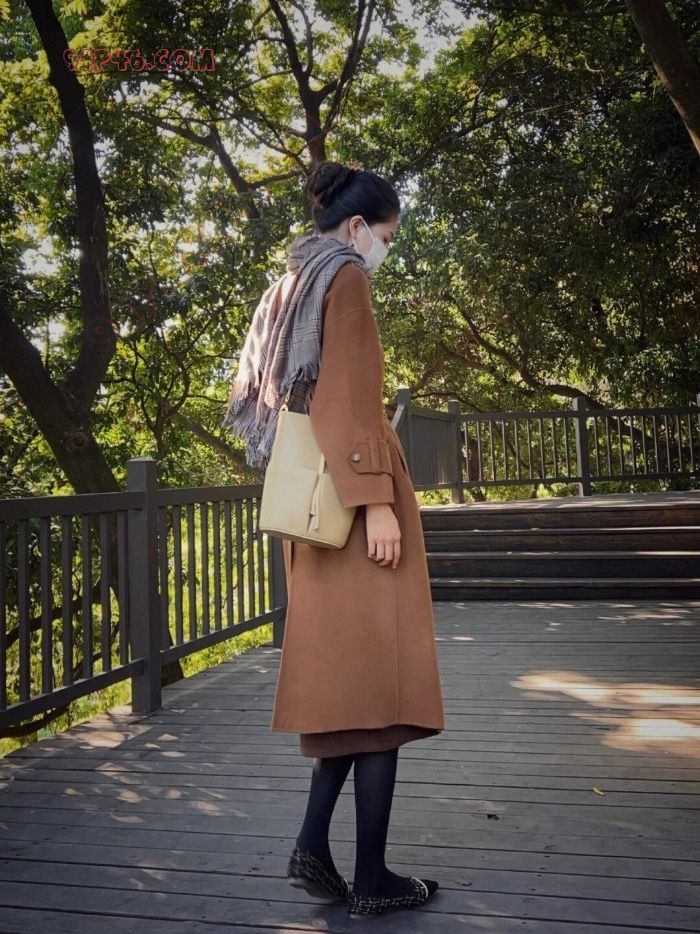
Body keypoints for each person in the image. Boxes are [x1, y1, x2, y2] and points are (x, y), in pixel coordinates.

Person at [222, 160, 445, 918]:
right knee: (380, 693)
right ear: (357, 227)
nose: (385, 249)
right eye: (386, 235)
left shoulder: (292, 281)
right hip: (351, 507)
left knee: (353, 695)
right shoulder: (344, 277)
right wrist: (377, 502)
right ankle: (372, 880)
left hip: (315, 510)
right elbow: (348, 400)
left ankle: (313, 849)